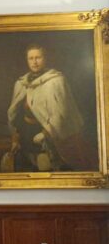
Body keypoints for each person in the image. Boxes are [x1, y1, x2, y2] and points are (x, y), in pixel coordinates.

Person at [6, 44, 97, 172]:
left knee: (48, 169)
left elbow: (62, 113)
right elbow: (16, 114)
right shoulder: (21, 83)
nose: (34, 62)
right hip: (26, 134)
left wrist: (45, 133)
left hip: (50, 137)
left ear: (45, 58)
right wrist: (15, 138)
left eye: (38, 57)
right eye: (31, 58)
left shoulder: (56, 81)